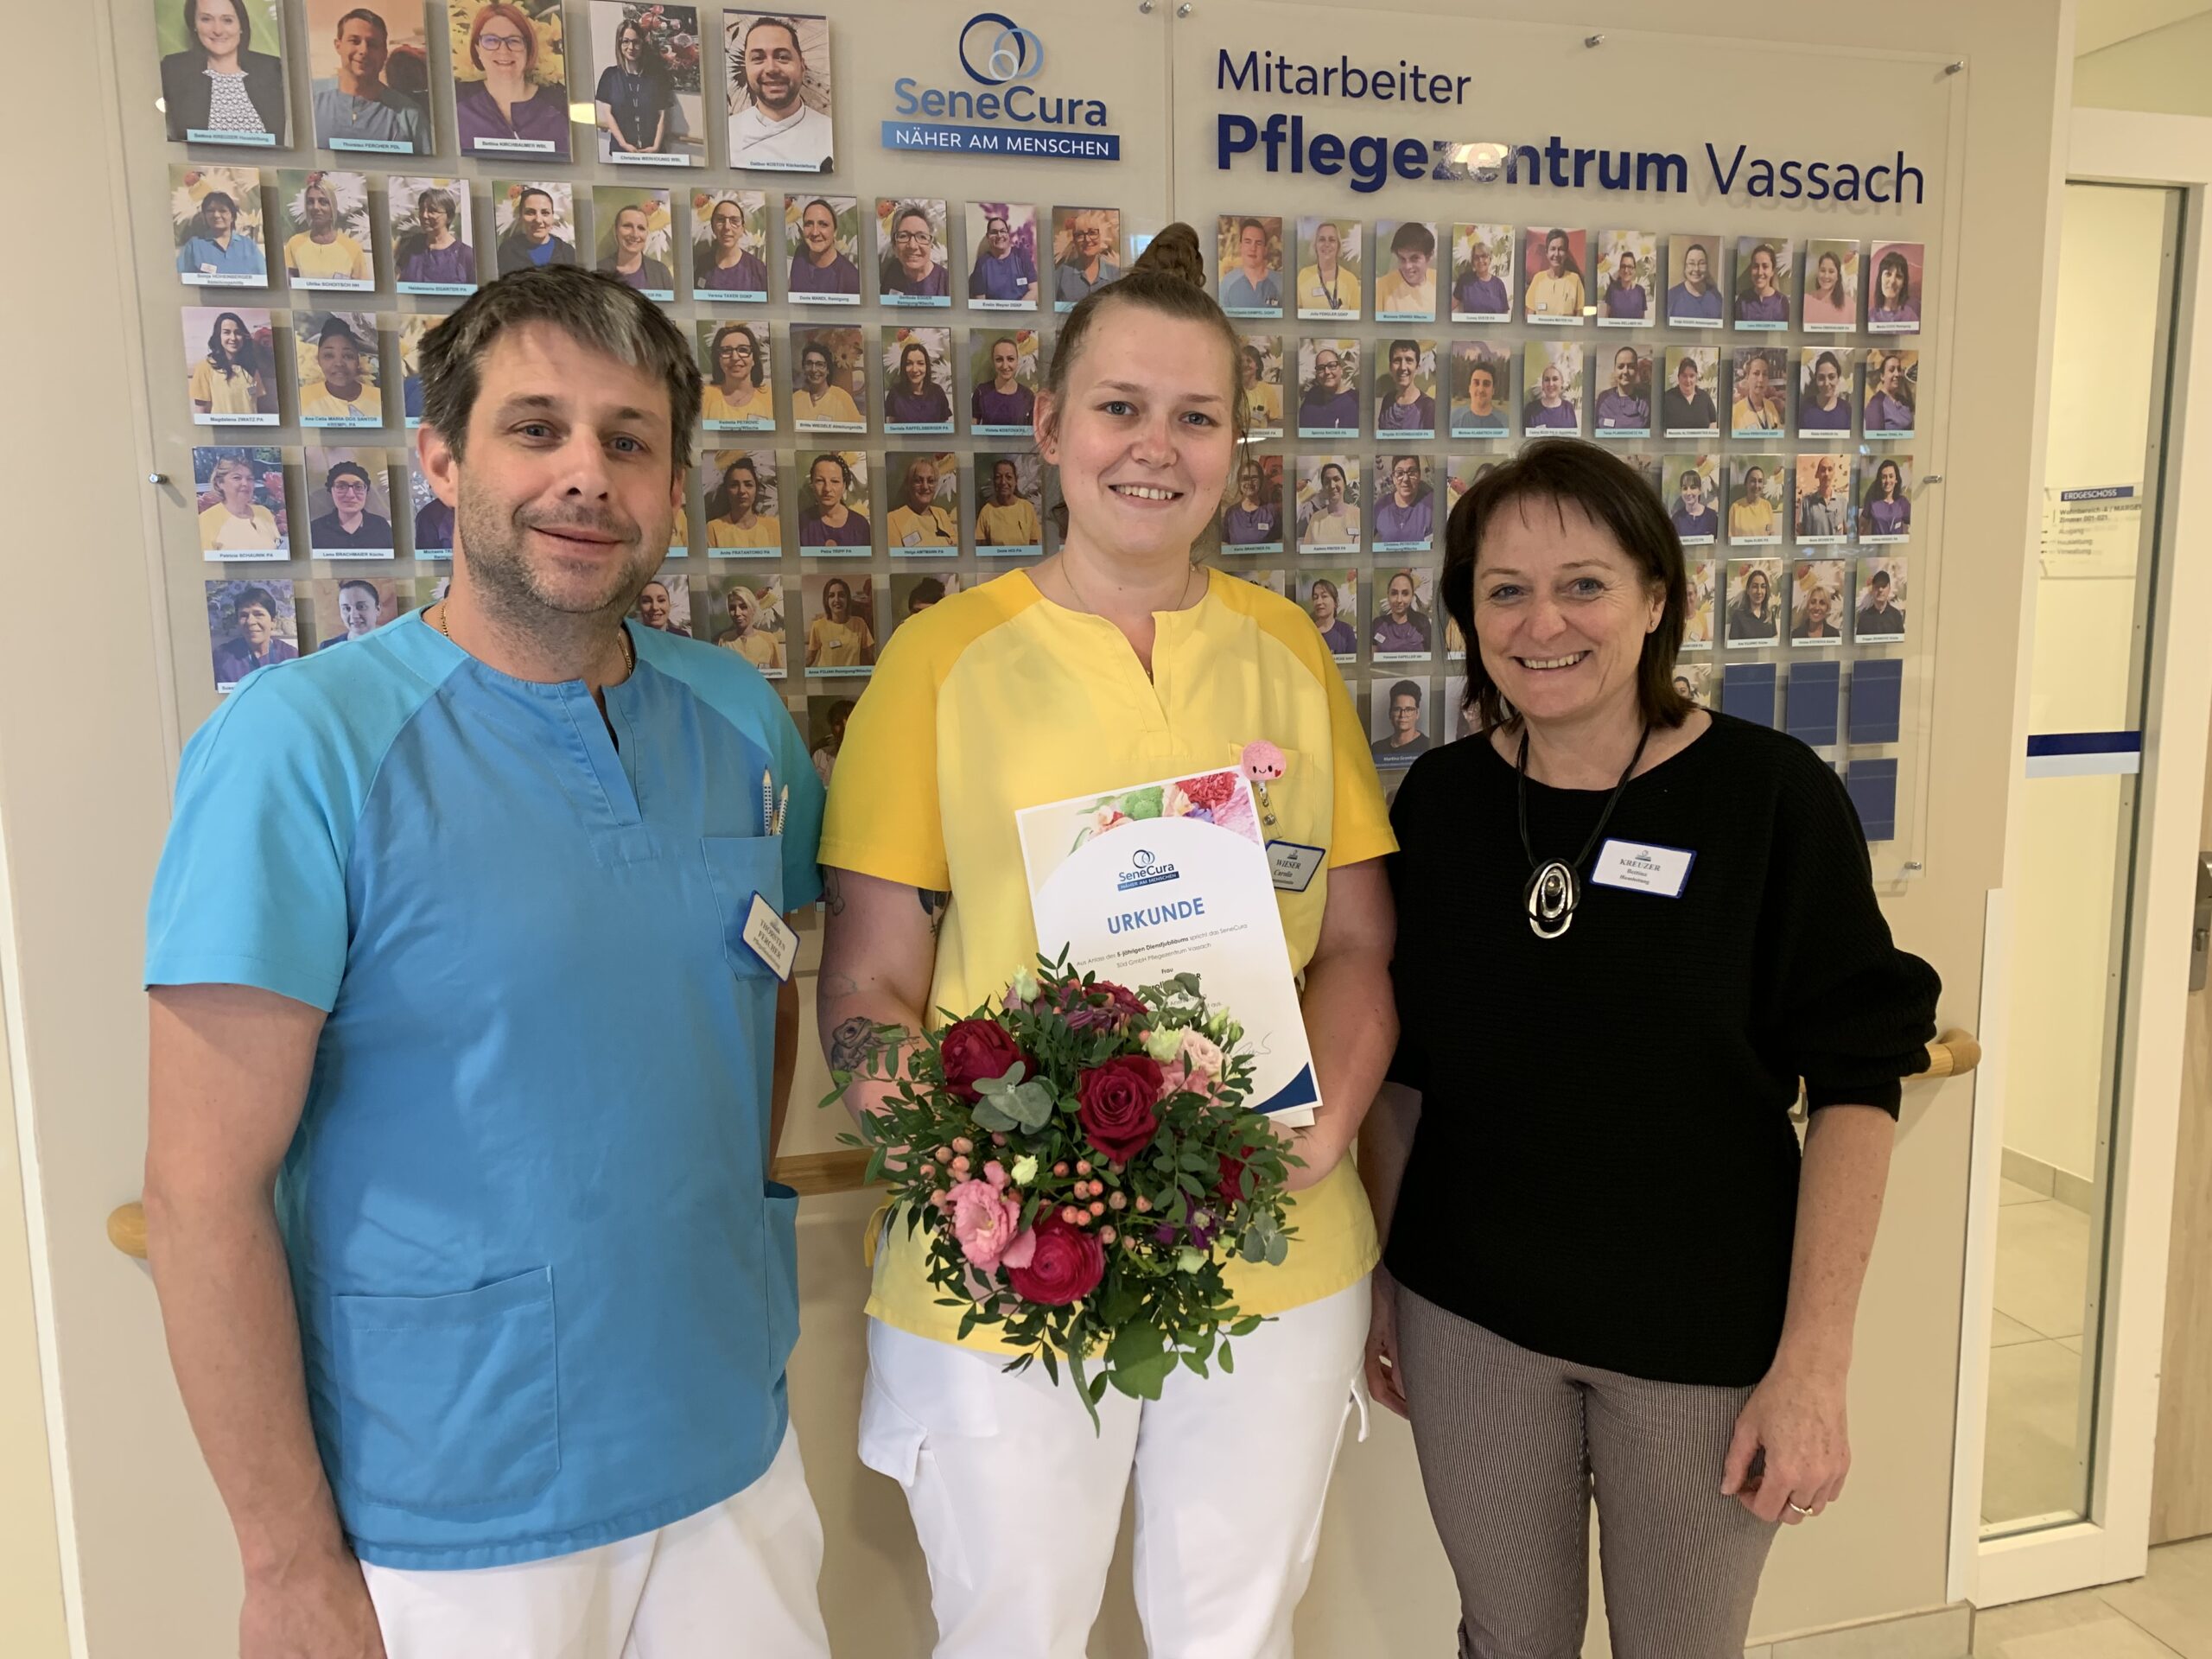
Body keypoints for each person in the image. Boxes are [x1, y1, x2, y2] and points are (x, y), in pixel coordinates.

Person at [145, 264, 832, 1658]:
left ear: (674, 484)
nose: (586, 475)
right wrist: (286, 1563)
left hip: (729, 1448)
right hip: (448, 1503)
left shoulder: (740, 721)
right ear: (442, 459)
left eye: (629, 441)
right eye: (536, 429)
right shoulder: (301, 748)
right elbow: (198, 1192)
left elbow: (752, 1010)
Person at [815, 223, 1396, 1659]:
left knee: (1235, 1635)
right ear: (1049, 426)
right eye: (1120, 407)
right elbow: (868, 978)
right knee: (1012, 1630)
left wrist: (1319, 1136)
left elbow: (1357, 948)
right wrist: (969, 1175)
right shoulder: (943, 661)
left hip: (1272, 1243)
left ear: (1236, 447)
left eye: (1196, 416)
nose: (1155, 448)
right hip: (1015, 1250)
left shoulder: (1289, 652)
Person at [1365, 442, 1936, 1658]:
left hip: (1702, 1338)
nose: (1543, 624)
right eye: (1505, 591)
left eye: (1584, 584)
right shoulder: (1442, 803)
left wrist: (1815, 1362)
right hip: (1470, 1317)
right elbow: (1403, 1075)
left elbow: (1857, 1081)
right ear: (1468, 615)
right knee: (1505, 1642)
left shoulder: (1769, 798)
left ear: (1655, 597)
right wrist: (1381, 1278)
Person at [162, 0, 288, 143]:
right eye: (206, 19)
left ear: (241, 26)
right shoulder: (174, 69)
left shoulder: (273, 69)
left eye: (227, 20)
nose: (218, 30)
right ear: (194, 25)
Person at [455, 3, 570, 156]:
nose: (503, 50)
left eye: (513, 41)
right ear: (478, 49)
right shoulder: (457, 101)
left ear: (528, 48)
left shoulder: (560, 104)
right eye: (491, 40)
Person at [313, 8, 428, 151]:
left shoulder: (408, 116)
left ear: (384, 53)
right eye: (354, 41)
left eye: (372, 44)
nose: (364, 50)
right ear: (338, 45)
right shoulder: (310, 103)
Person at [730, 15, 834, 171]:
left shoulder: (830, 133)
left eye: (782, 57)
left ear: (802, 66)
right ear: (746, 68)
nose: (771, 69)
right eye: (758, 58)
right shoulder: (728, 133)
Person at [595, 16, 675, 157]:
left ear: (642, 44)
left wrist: (656, 147)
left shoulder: (657, 77)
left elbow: (662, 115)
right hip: (622, 153)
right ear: (619, 44)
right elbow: (609, 114)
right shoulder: (610, 76)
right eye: (626, 41)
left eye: (636, 42)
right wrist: (624, 144)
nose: (631, 47)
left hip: (654, 154)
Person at [284, 175, 371, 285]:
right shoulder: (294, 244)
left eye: (323, 202)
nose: (316, 207)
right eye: (310, 202)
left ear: (333, 207)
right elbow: (288, 286)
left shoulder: (352, 248)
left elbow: (362, 289)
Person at [300, 319, 382, 423]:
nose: (339, 363)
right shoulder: (301, 399)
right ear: (318, 359)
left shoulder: (381, 399)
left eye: (347, 356)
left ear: (358, 360)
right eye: (329, 355)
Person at [210, 584, 297, 681]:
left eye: (258, 614)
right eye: (244, 615)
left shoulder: (290, 656)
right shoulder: (222, 657)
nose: (250, 622)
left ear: (273, 622)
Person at [198, 454, 281, 553]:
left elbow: (278, 548)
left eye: (250, 479)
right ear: (219, 483)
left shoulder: (264, 512)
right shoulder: (206, 520)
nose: (245, 483)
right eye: (237, 478)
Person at [189, 311, 266, 418]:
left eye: (238, 333)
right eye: (227, 332)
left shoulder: (251, 366)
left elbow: (257, 404)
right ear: (218, 336)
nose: (233, 338)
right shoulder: (205, 367)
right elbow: (200, 413)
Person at [175, 190, 264, 282]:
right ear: (204, 216)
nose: (216, 215)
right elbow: (179, 279)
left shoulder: (248, 246)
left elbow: (263, 278)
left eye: (222, 210)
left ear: (233, 217)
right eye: (210, 211)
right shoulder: (194, 246)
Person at [397, 187, 475, 289]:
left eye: (432, 211)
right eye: (421, 210)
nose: (424, 215)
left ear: (449, 216)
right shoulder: (412, 247)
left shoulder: (465, 255)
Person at [307, 460, 392, 552]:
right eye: (341, 487)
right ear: (331, 491)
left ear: (366, 491)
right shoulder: (315, 529)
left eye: (358, 487)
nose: (350, 495)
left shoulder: (381, 526)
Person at [787, 198, 861, 297]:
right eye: (809, 224)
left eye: (823, 225)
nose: (815, 232)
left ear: (835, 232)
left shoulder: (850, 280)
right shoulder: (800, 254)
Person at [702, 322, 773, 425]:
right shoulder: (703, 397)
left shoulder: (772, 397)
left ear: (754, 359)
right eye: (726, 351)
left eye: (743, 350)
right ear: (718, 360)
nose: (735, 357)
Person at [696, 197, 771, 295]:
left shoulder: (758, 270)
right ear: (712, 226)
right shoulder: (703, 264)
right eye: (720, 220)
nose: (727, 227)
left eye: (734, 221)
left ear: (742, 229)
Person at [707, 452, 781, 550]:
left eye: (748, 485)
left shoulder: (773, 526)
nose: (742, 491)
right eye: (734, 485)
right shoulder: (714, 528)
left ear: (756, 489)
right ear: (726, 489)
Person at [495, 186, 576, 276]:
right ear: (520, 216)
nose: (538, 220)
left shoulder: (567, 252)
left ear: (552, 216)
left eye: (545, 213)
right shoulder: (508, 251)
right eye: (530, 213)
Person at [599, 202, 675, 294]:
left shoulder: (661, 272)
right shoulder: (598, 272)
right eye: (627, 226)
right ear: (615, 230)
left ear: (647, 233)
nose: (635, 234)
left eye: (641, 228)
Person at [799, 452, 870, 548]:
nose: (827, 489)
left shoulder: (860, 526)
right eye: (820, 481)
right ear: (812, 484)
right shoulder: (801, 524)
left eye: (835, 481)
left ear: (844, 486)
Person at [880, 203, 950, 300]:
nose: (912, 246)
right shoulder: (892, 271)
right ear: (894, 244)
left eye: (922, 237)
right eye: (904, 236)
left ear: (931, 243)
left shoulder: (947, 283)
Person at [885, 455, 957, 549]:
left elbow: (956, 548)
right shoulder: (893, 520)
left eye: (931, 481)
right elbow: (896, 557)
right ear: (908, 484)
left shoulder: (941, 514)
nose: (925, 487)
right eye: (918, 481)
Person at [969, 211, 1039, 304]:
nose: (999, 235)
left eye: (1002, 231)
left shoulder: (1022, 255)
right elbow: (980, 302)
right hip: (994, 313)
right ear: (988, 236)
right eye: (994, 232)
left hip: (1022, 311)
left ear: (1008, 234)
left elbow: (1034, 291)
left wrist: (1015, 309)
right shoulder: (982, 264)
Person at [804, 575, 874, 668]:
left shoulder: (859, 623)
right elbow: (810, 659)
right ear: (826, 600)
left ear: (847, 599)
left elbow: (870, 656)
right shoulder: (818, 626)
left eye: (841, 595)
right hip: (826, 676)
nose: (837, 600)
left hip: (853, 676)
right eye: (831, 596)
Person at [1054, 210, 1121, 306]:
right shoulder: (1060, 275)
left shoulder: (1115, 275)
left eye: (1092, 233)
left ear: (1101, 237)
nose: (1087, 240)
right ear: (1074, 240)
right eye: (1080, 235)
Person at [1296, 219, 1361, 315]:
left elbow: (1356, 318)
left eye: (1332, 240)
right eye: (1322, 239)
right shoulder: (1303, 275)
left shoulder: (1350, 280)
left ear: (1338, 246)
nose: (1327, 244)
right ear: (1315, 245)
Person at [714, 582, 784, 671]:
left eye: (743, 607)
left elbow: (779, 674)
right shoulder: (725, 640)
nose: (737, 613)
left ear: (753, 609)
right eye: (732, 608)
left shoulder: (769, 640)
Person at [971, 335, 1037, 429]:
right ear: (993, 361)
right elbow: (972, 431)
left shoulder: (1028, 396)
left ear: (1017, 361)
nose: (1005, 366)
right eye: (999, 359)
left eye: (1010, 359)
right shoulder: (981, 392)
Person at [976, 457, 1043, 548]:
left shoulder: (1027, 508)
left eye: (1009, 477)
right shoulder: (986, 511)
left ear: (1016, 481)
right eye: (998, 477)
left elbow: (1034, 546)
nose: (1003, 482)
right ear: (994, 481)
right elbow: (981, 549)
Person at [791, 340, 861, 428]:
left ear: (828, 370)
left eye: (820, 364)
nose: (814, 369)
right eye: (809, 364)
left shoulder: (843, 399)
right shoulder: (794, 400)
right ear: (804, 368)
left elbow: (856, 432)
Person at [885, 340, 952, 427]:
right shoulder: (895, 393)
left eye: (920, 363)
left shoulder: (938, 392)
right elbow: (890, 427)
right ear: (903, 366)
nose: (915, 369)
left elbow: (944, 427)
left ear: (927, 366)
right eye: (909, 364)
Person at [1376, 221, 1437, 317]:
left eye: (1414, 258)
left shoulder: (1439, 281)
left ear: (1429, 256)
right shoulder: (1381, 287)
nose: (1407, 266)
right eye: (1402, 259)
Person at [1220, 217, 1281, 311]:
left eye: (1258, 243)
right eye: (1248, 242)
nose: (1253, 248)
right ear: (1241, 247)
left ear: (1265, 250)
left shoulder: (1279, 282)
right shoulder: (1227, 282)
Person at [1376, 340, 1435, 434]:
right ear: (1390, 367)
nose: (1403, 367)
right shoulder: (1387, 400)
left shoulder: (1428, 407)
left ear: (1417, 367)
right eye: (1397, 361)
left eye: (1409, 360)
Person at [1524, 229, 1584, 321]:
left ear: (1566, 253)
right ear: (1546, 252)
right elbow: (1529, 316)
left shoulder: (1575, 279)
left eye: (1561, 249)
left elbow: (1580, 316)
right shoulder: (1538, 279)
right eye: (1553, 249)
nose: (1556, 254)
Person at [1374, 459, 1434, 548]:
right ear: (1393, 478)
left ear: (1419, 475)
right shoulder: (1380, 507)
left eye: (1411, 472)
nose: (1406, 479)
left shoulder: (1432, 503)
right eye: (1400, 473)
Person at [1370, 679, 1429, 766]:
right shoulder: (1377, 748)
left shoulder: (1428, 746)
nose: (1402, 715)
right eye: (1397, 709)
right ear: (1390, 713)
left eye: (1409, 710)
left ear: (1417, 713)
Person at [1299, 346, 1360, 430]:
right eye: (1321, 368)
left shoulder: (1355, 400)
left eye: (1332, 366)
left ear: (1341, 370)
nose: (1327, 372)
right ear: (1317, 374)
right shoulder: (1312, 396)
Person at [1371, 569, 1433, 652]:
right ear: (1388, 595)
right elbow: (1371, 657)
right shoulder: (1378, 624)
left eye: (1405, 593)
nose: (1399, 600)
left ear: (1412, 596)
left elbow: (1430, 655)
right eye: (1394, 593)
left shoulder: (1423, 623)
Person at [1223, 459, 1280, 547]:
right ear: (1239, 482)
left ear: (1261, 481)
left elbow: (1279, 544)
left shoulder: (1271, 511)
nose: (1250, 482)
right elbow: (1224, 544)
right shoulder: (1231, 513)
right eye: (1245, 478)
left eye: (1254, 478)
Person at [318, 577, 384, 649]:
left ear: (378, 609)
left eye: (361, 607)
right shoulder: (328, 648)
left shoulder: (392, 644)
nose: (353, 615)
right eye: (346, 608)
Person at [1667, 239, 1724, 322]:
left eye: (1701, 263)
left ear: (1707, 267)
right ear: (1685, 267)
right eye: (1691, 263)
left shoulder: (1716, 297)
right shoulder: (1671, 297)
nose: (1696, 269)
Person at [1451, 352, 1506, 436]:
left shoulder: (1505, 423)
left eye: (1486, 384)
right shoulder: (1453, 419)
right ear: (1469, 388)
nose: (1481, 390)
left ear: (1493, 390)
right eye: (1476, 383)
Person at [1301, 461, 1356, 545]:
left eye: (1336, 479)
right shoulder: (1315, 519)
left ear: (1344, 484)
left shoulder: (1358, 515)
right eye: (1327, 482)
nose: (1332, 485)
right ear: (1323, 487)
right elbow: (1306, 550)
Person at [1452, 232, 1508, 317]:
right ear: (1473, 262)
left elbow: (1505, 314)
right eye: (1476, 258)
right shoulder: (1465, 280)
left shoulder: (1499, 284)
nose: (1480, 260)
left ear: (1490, 259)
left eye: (1484, 256)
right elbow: (1451, 305)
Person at [1594, 346, 1648, 432]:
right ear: (1614, 370)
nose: (1625, 371)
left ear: (1637, 370)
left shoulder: (1646, 401)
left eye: (1631, 367)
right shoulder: (1603, 399)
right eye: (1621, 367)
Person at [1661, 353, 1717, 432]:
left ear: (1696, 377)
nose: (1688, 380)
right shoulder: (1667, 398)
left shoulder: (1705, 397)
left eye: (1692, 376)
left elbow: (1714, 422)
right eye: (1684, 376)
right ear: (1678, 377)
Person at [1731, 352, 1784, 434]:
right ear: (1747, 377)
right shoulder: (1736, 412)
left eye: (1765, 374)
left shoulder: (1771, 407)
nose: (1761, 379)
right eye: (1756, 373)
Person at [1736, 242, 1789, 324]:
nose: (1760, 272)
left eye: (1765, 266)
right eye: (1756, 266)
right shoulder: (1742, 301)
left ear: (1772, 271)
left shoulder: (1782, 302)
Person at [1802, 351, 1852, 433]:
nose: (1826, 383)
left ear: (1838, 378)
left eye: (1831, 377)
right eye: (1821, 378)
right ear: (1816, 379)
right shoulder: (1805, 409)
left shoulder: (1846, 409)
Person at [1799, 459, 1851, 538]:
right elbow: (1800, 535)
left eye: (1830, 470)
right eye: (1823, 470)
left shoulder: (1843, 502)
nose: (1826, 474)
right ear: (1817, 474)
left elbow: (1848, 533)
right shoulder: (1806, 502)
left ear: (1834, 473)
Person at [1522, 358, 1577, 431]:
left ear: (1562, 383)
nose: (1551, 384)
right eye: (1547, 380)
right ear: (1542, 384)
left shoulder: (1569, 408)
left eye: (1555, 379)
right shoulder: (1531, 409)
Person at [1804, 249, 1854, 327]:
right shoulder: (1806, 300)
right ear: (1818, 272)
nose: (1826, 276)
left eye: (1831, 271)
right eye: (1823, 270)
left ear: (1838, 276)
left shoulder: (1849, 305)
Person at [1866, 353, 1915, 432]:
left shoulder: (1903, 400)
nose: (1897, 374)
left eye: (1899, 369)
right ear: (1882, 376)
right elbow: (1875, 437)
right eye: (1891, 370)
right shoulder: (1876, 404)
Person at [1727, 563, 1778, 639]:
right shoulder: (1738, 616)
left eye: (1763, 587)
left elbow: (1774, 642)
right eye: (1755, 586)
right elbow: (1733, 645)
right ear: (1748, 590)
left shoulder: (1770, 615)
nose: (1759, 591)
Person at [1238, 343, 1282, 432]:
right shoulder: (1235, 390)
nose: (1244, 364)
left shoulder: (1267, 390)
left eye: (1249, 361)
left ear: (1257, 365)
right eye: (1242, 361)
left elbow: (1274, 421)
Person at [1863, 460, 1912, 538]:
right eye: (1884, 477)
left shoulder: (1903, 502)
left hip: (1897, 545)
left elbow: (1916, 523)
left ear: (1896, 480)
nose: (1887, 481)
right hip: (1877, 545)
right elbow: (1861, 528)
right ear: (1880, 480)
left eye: (1891, 476)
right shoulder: (1872, 502)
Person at [1308, 574, 1357, 652]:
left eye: (1324, 596)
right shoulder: (1307, 632)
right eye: (1315, 597)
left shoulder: (1346, 631)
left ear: (1335, 603)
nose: (1319, 602)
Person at [1871, 250, 1919, 327]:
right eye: (1888, 274)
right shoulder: (1870, 316)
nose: (1893, 281)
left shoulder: (1911, 318)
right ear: (1880, 278)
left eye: (1898, 276)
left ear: (1903, 283)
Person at [810, 697, 852, 788]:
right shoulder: (820, 756)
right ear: (832, 728)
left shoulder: (872, 756)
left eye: (850, 720)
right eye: (838, 723)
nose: (845, 728)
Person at [1730, 467, 1778, 541]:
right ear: (1746, 484)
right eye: (1753, 481)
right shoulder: (1735, 508)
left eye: (1760, 481)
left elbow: (1769, 532)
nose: (1757, 486)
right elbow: (1729, 538)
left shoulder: (1767, 506)